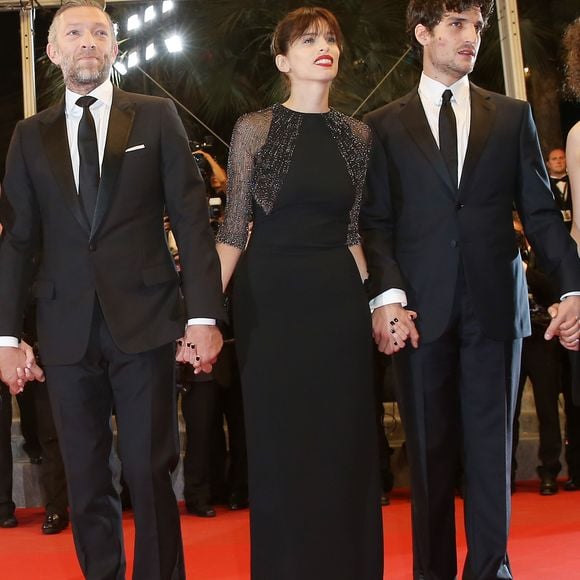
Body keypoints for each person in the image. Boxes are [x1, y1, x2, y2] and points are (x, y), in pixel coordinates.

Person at [0, 2, 224, 579]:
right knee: (84, 473)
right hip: (64, 326)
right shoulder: (29, 136)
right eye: (74, 33)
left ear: (115, 47)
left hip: (146, 319)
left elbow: (193, 220)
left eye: (100, 32)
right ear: (52, 51)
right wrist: (6, 336)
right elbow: (18, 242)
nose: (88, 42)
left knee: (151, 469)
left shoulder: (154, 115)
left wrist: (203, 315)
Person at [360, 1, 580, 578]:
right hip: (419, 314)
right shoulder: (383, 124)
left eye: (477, 27)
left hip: (494, 308)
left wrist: (573, 288)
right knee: (428, 457)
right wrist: (388, 299)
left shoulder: (510, 116)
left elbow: (540, 212)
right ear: (422, 32)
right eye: (457, 25)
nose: (471, 37)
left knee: (492, 452)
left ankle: (491, 568)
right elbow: (375, 225)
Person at [216, 7, 383, 579]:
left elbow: (355, 230)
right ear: (284, 60)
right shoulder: (256, 129)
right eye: (309, 40)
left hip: (337, 302)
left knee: (344, 442)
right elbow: (234, 231)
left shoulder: (357, 135)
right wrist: (202, 318)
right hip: (271, 305)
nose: (324, 47)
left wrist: (379, 300)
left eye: (331, 38)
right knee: (280, 446)